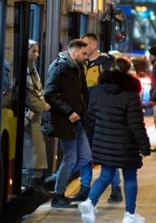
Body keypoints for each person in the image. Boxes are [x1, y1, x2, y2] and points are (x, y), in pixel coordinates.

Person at [79, 58, 150, 223]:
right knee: (130, 177)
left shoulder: (98, 90)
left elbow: (91, 118)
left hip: (104, 141)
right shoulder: (131, 94)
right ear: (128, 72)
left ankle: (90, 202)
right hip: (126, 143)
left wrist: (93, 137)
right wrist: (144, 146)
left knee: (106, 174)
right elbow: (135, 124)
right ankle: (129, 215)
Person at [71, 33, 123, 204]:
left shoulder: (107, 64)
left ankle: (116, 189)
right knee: (85, 156)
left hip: (102, 119)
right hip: (85, 118)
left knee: (107, 155)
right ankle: (85, 187)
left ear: (93, 45)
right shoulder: (80, 64)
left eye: (84, 44)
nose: (82, 47)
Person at [42, 39, 91, 208]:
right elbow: (49, 93)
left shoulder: (78, 68)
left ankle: (56, 179)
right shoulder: (59, 67)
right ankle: (58, 195)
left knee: (85, 156)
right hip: (66, 120)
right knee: (70, 158)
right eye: (84, 54)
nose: (86, 57)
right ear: (74, 52)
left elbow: (82, 95)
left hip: (78, 121)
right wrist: (69, 111)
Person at [22, 40, 51, 190]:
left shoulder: (31, 68)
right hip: (29, 116)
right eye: (33, 51)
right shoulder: (24, 69)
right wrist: (42, 105)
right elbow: (28, 93)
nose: (37, 54)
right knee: (34, 149)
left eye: (37, 51)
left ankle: (36, 182)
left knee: (36, 148)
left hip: (33, 115)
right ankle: (35, 184)